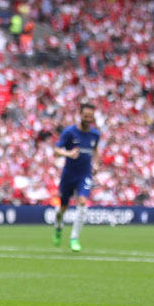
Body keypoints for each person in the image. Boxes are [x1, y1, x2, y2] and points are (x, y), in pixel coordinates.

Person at [52, 102, 100, 252]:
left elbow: (96, 150)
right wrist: (69, 154)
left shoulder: (95, 134)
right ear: (80, 115)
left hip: (84, 175)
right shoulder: (69, 132)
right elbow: (56, 151)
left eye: (90, 116)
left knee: (82, 201)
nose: (87, 118)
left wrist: (96, 164)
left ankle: (74, 238)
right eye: (85, 115)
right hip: (69, 175)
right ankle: (58, 225)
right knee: (63, 208)